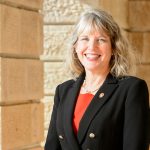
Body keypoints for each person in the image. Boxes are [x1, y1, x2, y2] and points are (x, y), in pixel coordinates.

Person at [44, 8, 149, 150]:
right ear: (75, 47)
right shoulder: (63, 91)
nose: (92, 47)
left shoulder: (131, 89)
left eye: (101, 40)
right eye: (85, 39)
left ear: (114, 48)